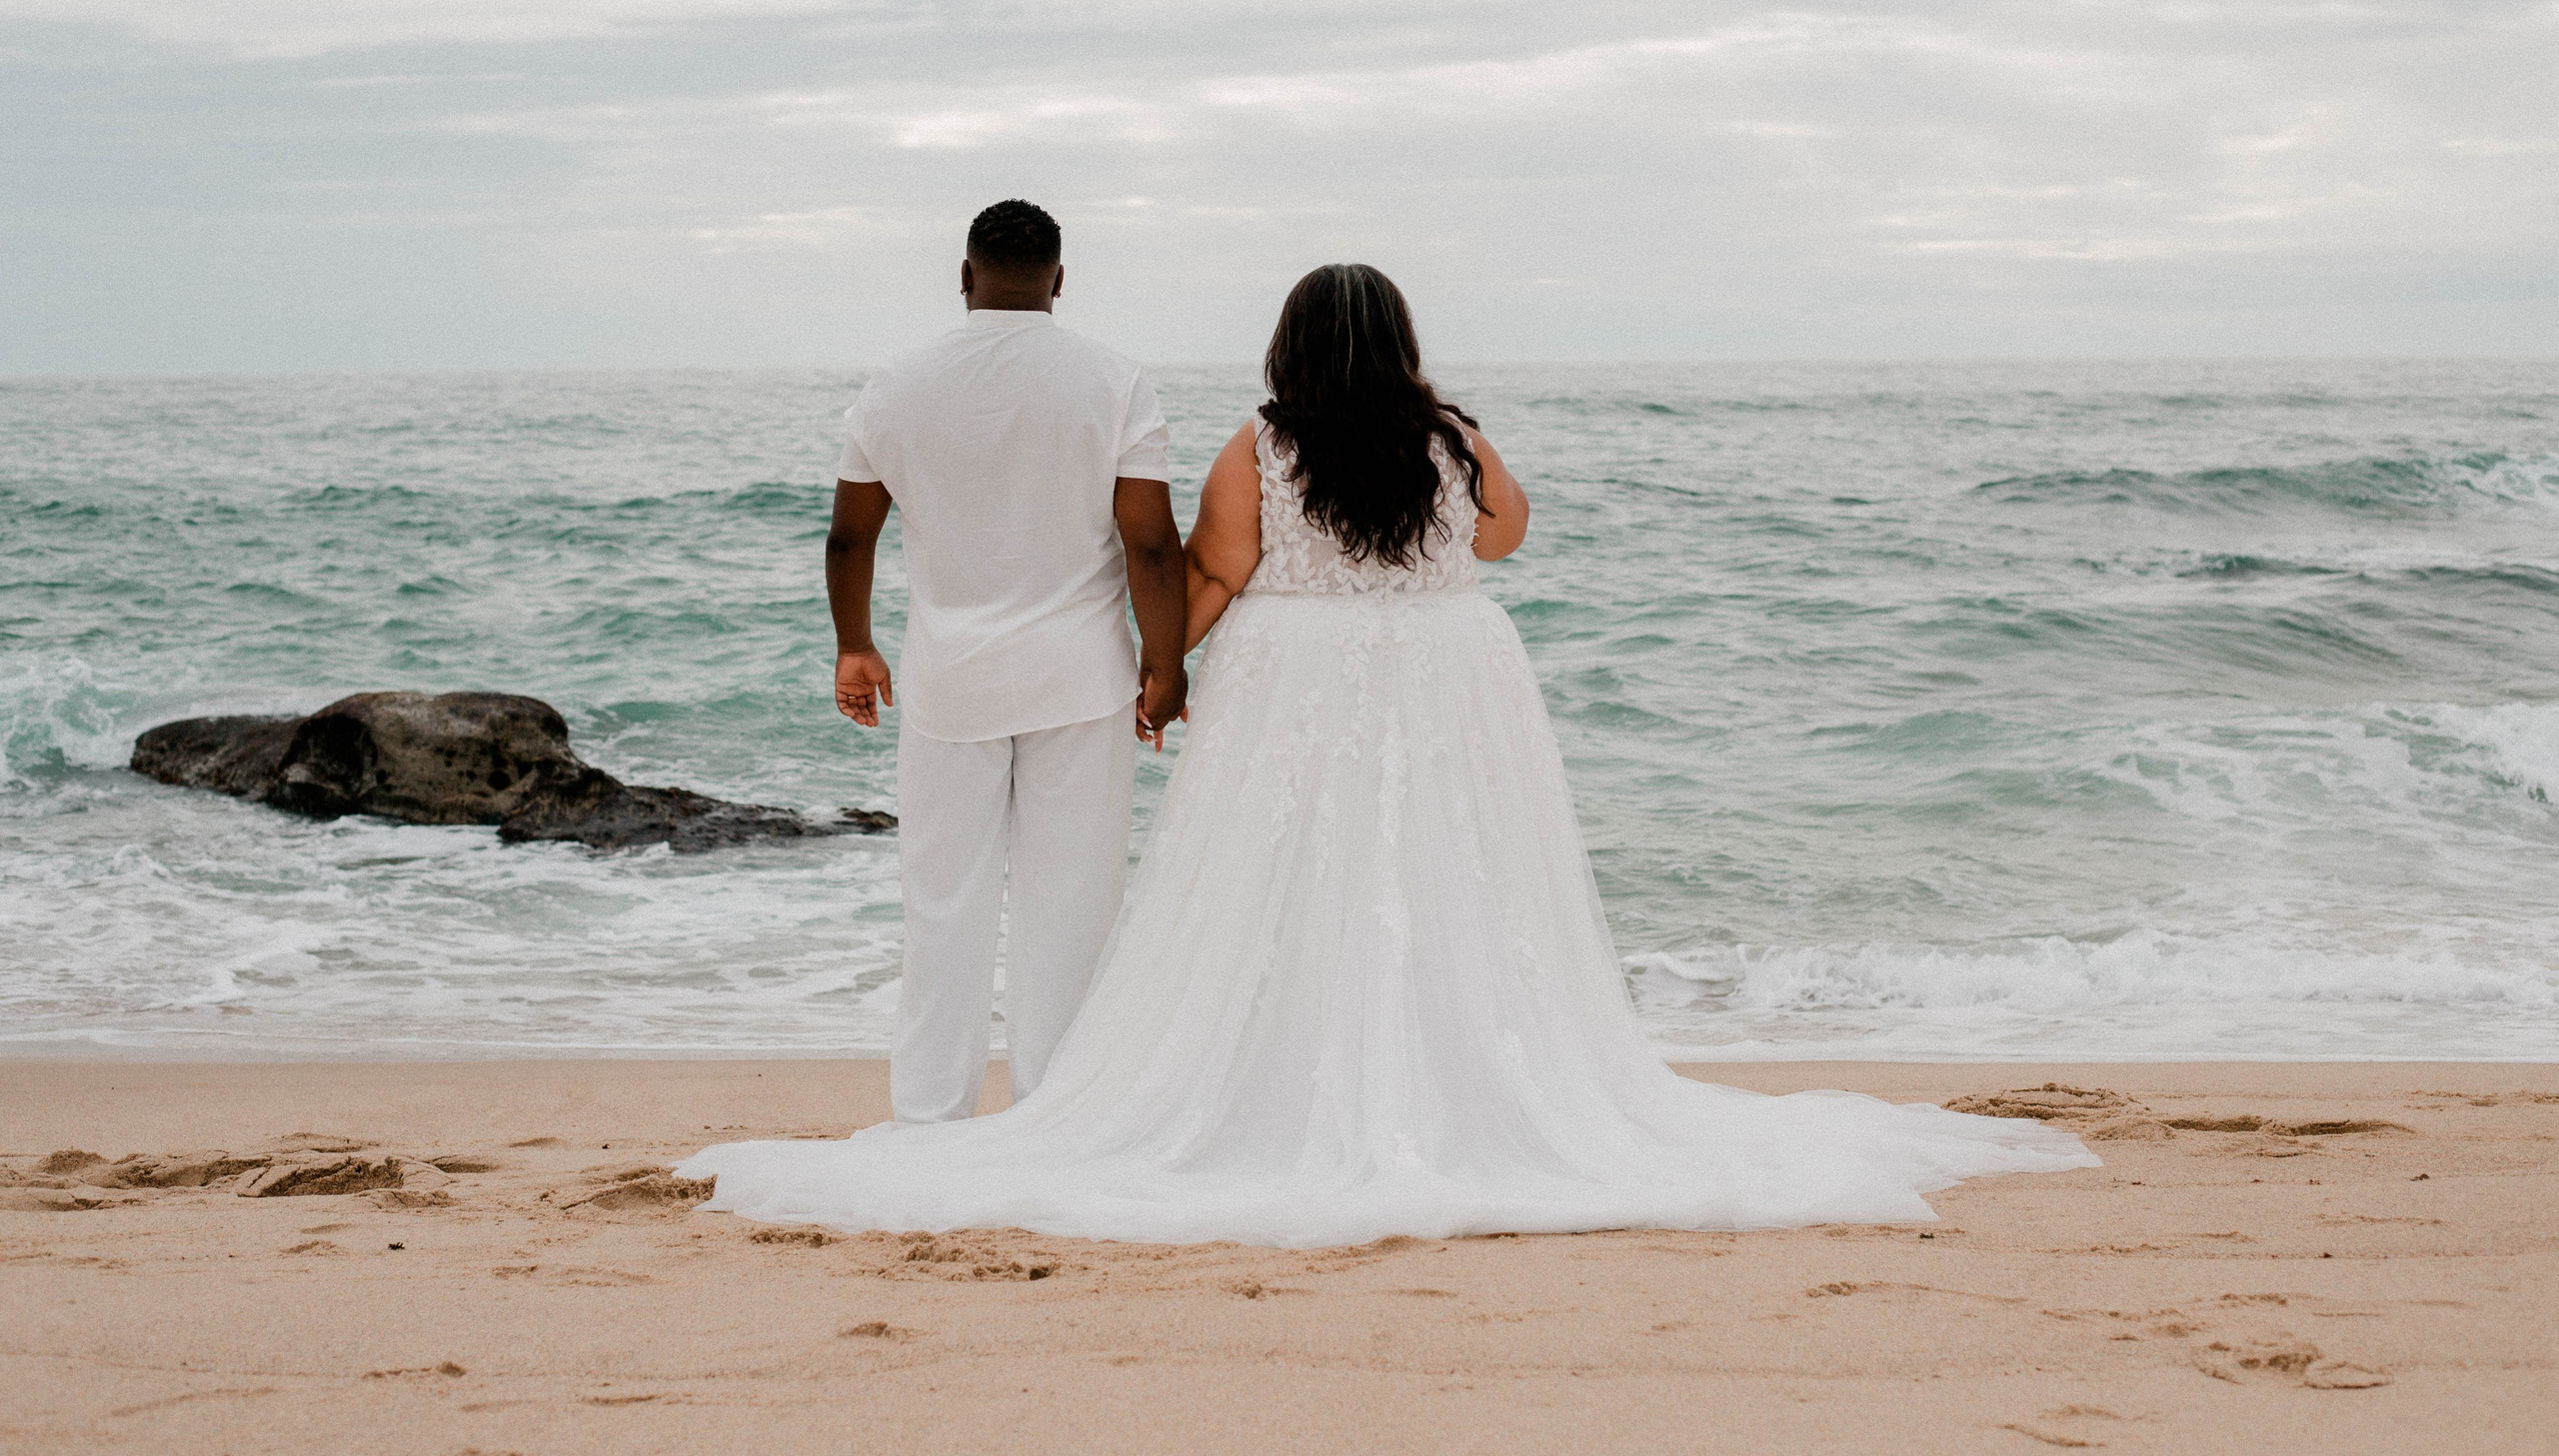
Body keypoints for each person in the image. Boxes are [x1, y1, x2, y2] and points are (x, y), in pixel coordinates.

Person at [683, 264, 2095, 1245]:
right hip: (1448, 676)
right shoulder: (1450, 434)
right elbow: (1506, 535)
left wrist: (1166, 667)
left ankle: (1229, 1086)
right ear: (1401, 340)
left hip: (1302, 685)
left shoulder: (1262, 441)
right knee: (1449, 886)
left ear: (1292, 347)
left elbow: (1215, 566)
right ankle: (1451, 1082)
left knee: (1285, 895)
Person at [821, 199, 1189, 1125]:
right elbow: (1150, 544)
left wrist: (855, 645)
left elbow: (848, 536)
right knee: (1071, 910)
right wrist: (1166, 661)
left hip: (951, 679)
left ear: (964, 275)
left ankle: (930, 1116)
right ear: (1060, 280)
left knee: (943, 905)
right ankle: (1051, 1115)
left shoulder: (894, 386)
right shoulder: (1115, 381)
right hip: (1080, 678)